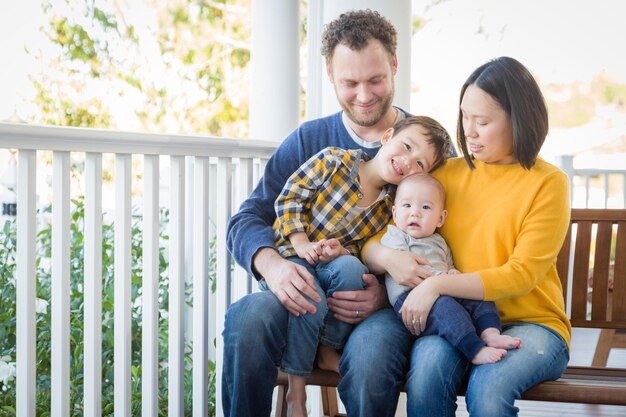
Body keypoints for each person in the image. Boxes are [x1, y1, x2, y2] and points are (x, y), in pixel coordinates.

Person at [223, 10, 458, 417]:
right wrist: (275, 266)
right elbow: (248, 218)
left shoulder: (429, 150)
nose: (364, 95)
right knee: (248, 317)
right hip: (301, 287)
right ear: (329, 73)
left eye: (375, 80)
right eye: (350, 82)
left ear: (395, 67)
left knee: (369, 358)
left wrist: (384, 295)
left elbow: (443, 240)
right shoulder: (311, 141)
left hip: (379, 309)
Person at [364, 56, 571, 416]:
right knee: (427, 373)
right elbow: (381, 237)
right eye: (465, 117)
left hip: (535, 324)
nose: (469, 131)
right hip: (458, 318)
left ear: (518, 119)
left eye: (483, 121)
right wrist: (387, 258)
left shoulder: (548, 183)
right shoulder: (446, 174)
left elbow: (522, 274)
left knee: (488, 390)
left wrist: (437, 285)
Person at [272, 116, 452, 416]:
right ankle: (297, 391)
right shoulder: (333, 161)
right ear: (387, 136)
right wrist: (302, 243)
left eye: (420, 164)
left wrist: (341, 251)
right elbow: (289, 198)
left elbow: (362, 249)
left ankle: (328, 347)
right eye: (406, 146)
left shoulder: (390, 210)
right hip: (294, 256)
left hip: (332, 269)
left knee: (348, 269)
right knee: (306, 285)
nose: (407, 161)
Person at [383, 173, 522, 366]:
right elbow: (409, 271)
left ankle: (491, 333)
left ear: (441, 218)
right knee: (448, 309)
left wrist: (453, 274)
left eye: (425, 207)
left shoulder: (439, 241)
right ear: (395, 213)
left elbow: (447, 264)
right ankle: (475, 350)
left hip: (440, 289)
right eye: (407, 206)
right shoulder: (396, 236)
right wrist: (445, 281)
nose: (415, 213)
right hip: (411, 298)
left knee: (480, 297)